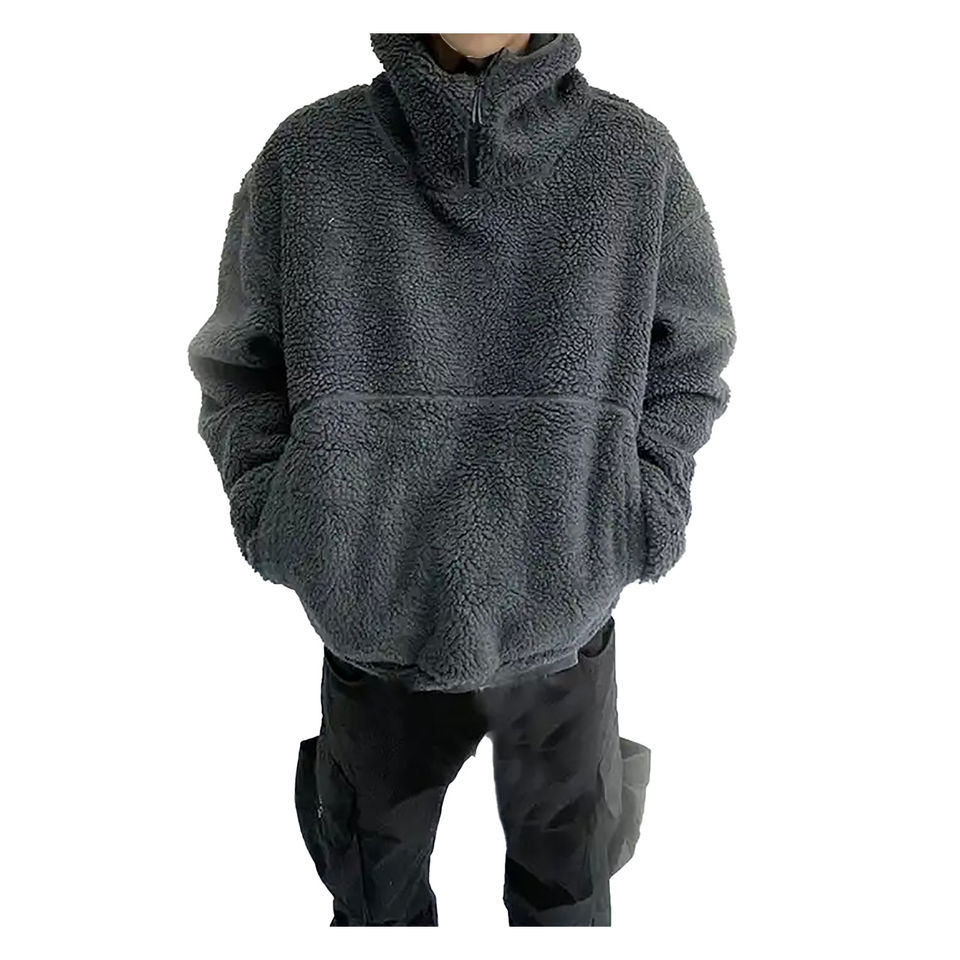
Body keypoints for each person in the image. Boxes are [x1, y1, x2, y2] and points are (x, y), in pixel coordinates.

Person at [186, 32, 736, 926]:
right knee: (375, 905)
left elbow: (692, 358)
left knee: (568, 906)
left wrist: (643, 510)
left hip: (563, 620)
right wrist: (282, 514)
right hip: (373, 620)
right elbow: (239, 367)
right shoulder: (312, 154)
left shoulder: (632, 157)